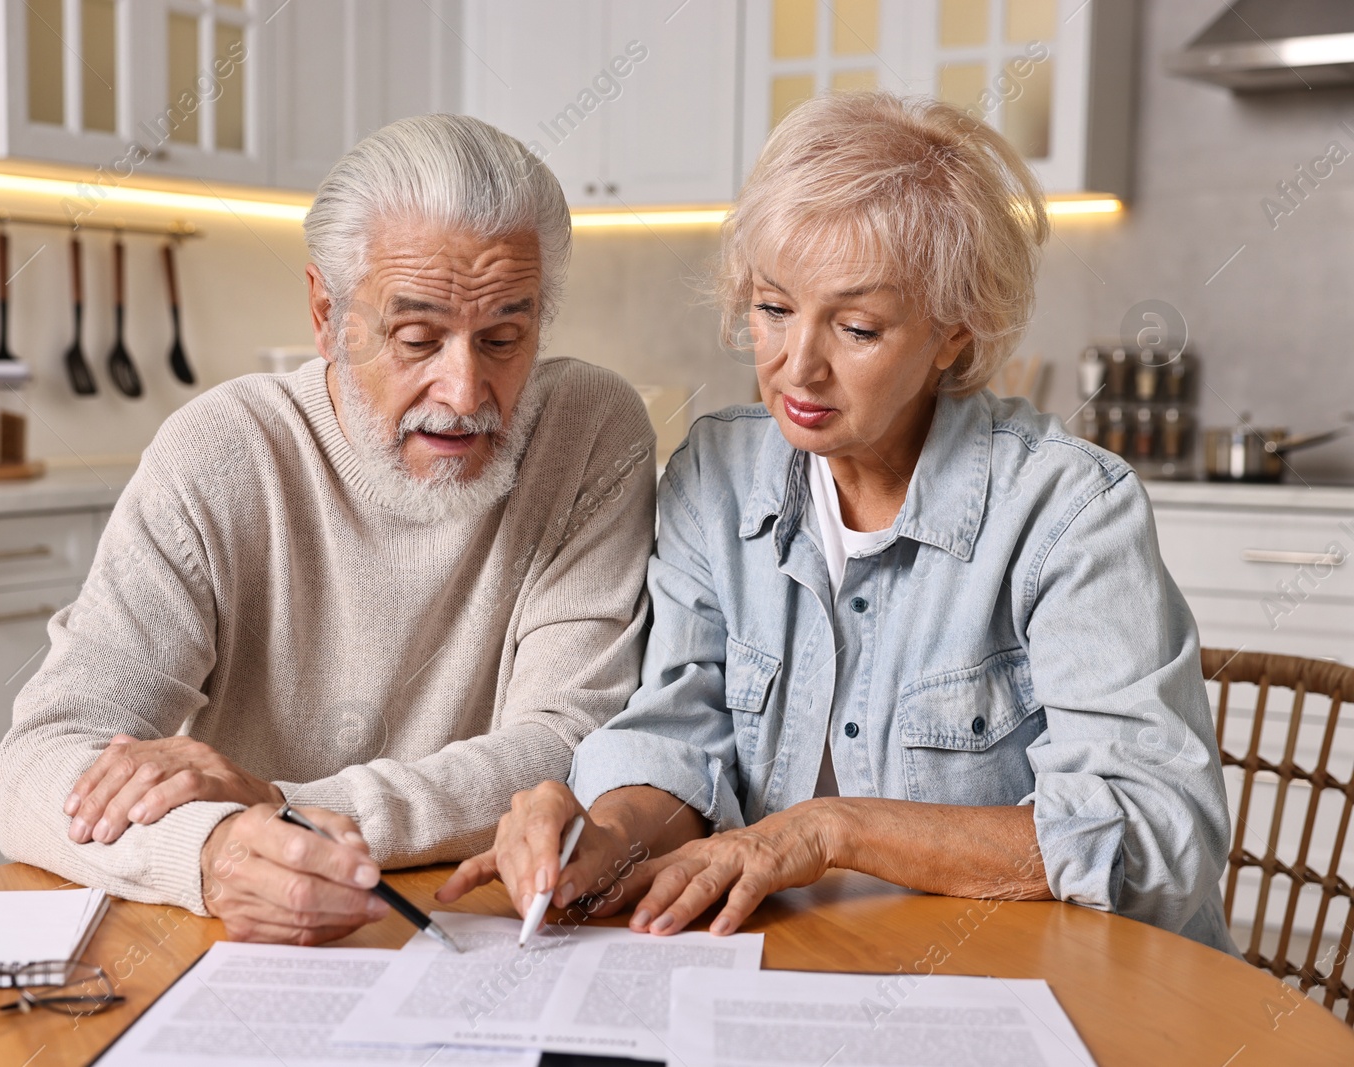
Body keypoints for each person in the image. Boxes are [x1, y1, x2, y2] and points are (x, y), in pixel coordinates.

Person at [440, 92, 1235, 954]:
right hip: (815, 970)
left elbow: (1158, 835)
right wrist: (603, 835)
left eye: (857, 327)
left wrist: (831, 831)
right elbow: (676, 732)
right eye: (774, 309)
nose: (796, 366)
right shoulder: (718, 477)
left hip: (1055, 984)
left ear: (953, 336)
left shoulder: (1068, 509)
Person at [0, 114, 657, 946]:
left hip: (486, 919)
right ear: (326, 312)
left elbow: (566, 746)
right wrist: (213, 850)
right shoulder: (221, 452)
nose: (463, 389)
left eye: (503, 339)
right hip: (252, 931)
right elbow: (37, 763)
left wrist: (280, 804)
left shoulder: (590, 431)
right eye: (417, 338)